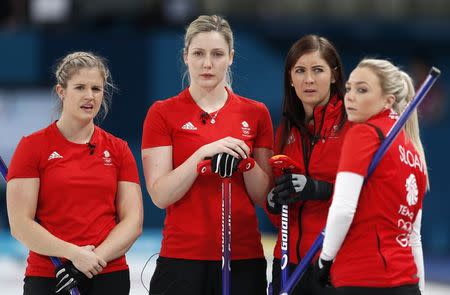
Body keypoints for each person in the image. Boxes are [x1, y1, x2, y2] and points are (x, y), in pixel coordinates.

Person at [141, 15, 273, 295]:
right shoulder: (163, 113)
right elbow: (160, 195)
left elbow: (263, 197)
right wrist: (202, 154)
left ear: (231, 57)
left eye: (217, 54)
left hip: (242, 258)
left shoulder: (256, 113)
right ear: (186, 56)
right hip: (182, 260)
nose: (207, 63)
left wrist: (245, 163)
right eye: (199, 54)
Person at [6, 51, 143, 295]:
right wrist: (74, 255)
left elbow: (132, 222)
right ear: (61, 91)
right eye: (80, 87)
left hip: (107, 273)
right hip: (52, 274)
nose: (89, 96)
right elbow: (20, 225)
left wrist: (91, 260)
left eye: (96, 89)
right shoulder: (31, 147)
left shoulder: (118, 149)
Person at [314, 59, 428, 295]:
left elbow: (344, 209)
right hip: (406, 282)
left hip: (362, 277)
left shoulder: (364, 133)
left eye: (362, 90)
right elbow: (413, 237)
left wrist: (325, 259)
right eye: (349, 88)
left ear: (388, 100)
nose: (350, 96)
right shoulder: (414, 150)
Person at [265, 34, 348, 295]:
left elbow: (369, 197)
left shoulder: (354, 127)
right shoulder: (284, 132)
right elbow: (274, 208)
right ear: (290, 78)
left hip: (334, 263)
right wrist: (273, 201)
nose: (308, 80)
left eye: (318, 70)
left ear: (334, 75)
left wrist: (318, 189)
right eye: (300, 70)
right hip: (288, 262)